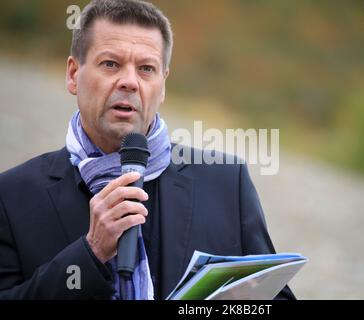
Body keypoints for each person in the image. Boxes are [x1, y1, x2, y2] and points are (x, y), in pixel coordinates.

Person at [0, 0, 295, 300]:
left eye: (146, 68)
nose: (129, 81)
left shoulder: (227, 184)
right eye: (111, 64)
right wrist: (90, 253)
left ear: (163, 85)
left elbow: (273, 296)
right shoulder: (12, 197)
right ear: (74, 74)